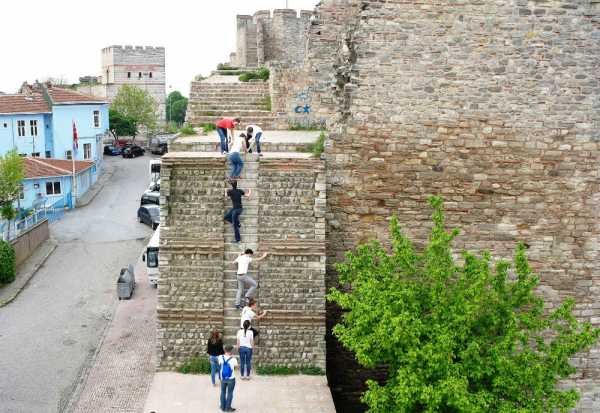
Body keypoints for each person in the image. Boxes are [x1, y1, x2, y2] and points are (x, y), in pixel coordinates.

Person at [218, 345, 238, 412]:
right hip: (231, 379)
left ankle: (222, 407)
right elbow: (236, 367)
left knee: (223, 392)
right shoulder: (234, 359)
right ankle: (228, 408)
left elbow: (220, 365)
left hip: (223, 378)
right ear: (231, 351)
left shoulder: (220, 357)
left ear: (224, 350)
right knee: (230, 393)